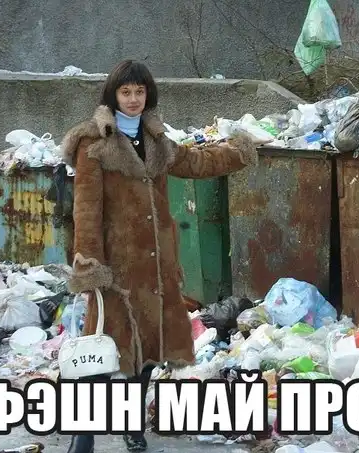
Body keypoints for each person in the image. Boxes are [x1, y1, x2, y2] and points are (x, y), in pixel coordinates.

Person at [60, 59, 258, 453]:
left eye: (139, 91)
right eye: (126, 92)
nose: (133, 99)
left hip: (156, 267)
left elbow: (196, 162)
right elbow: (86, 210)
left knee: (148, 353)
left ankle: (133, 427)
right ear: (113, 95)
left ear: (148, 95)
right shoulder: (94, 143)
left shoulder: (156, 140)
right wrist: (89, 265)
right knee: (101, 354)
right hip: (115, 271)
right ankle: (83, 438)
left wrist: (241, 149)